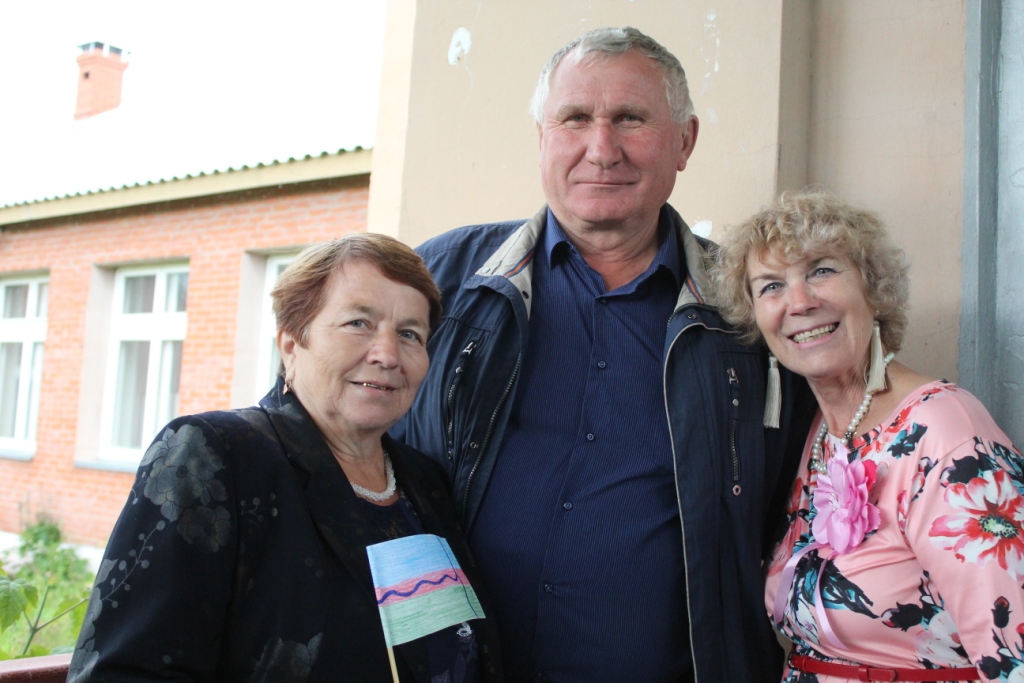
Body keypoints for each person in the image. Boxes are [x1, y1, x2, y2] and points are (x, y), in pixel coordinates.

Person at [390, 27, 813, 683]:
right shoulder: (442, 278)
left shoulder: (752, 307)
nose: (601, 148)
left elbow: (813, 483)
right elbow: (329, 434)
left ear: (685, 141)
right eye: (575, 119)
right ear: (542, 138)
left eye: (630, 119)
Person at [68, 234, 502, 682]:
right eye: (358, 323)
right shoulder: (217, 455)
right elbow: (125, 672)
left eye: (410, 334)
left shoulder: (424, 481)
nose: (388, 355)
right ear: (292, 343)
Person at [713, 190, 1024, 680]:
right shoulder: (815, 432)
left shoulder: (946, 433)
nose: (799, 302)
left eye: (821, 270)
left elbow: (1014, 654)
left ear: (873, 289)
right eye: (771, 286)